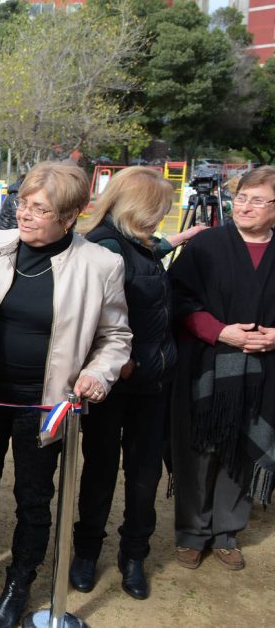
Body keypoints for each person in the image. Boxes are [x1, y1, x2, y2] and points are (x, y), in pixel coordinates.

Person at [0, 161, 132, 628]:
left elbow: (116, 337)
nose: (24, 214)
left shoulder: (101, 265)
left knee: (33, 497)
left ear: (70, 216)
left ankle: (19, 583)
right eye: (23, 203)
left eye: (39, 209)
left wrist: (98, 375)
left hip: (45, 405)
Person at [71, 167, 205, 599]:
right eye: (158, 209)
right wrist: (121, 362)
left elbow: (146, 265)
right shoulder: (104, 246)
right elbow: (91, 317)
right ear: (136, 206)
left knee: (144, 476)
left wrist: (176, 242)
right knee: (100, 472)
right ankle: (87, 553)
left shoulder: (139, 244)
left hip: (153, 383)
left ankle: (134, 557)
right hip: (116, 385)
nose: (161, 217)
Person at [167, 165, 275, 573]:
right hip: (207, 366)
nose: (245, 206)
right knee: (199, 450)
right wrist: (219, 332)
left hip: (265, 372)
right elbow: (177, 301)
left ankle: (227, 532)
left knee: (244, 447)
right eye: (242, 197)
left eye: (258, 200)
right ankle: (192, 532)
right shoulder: (206, 246)